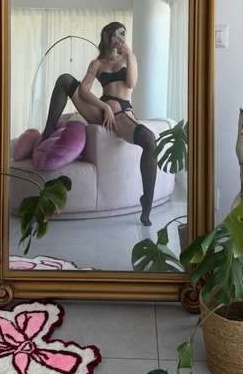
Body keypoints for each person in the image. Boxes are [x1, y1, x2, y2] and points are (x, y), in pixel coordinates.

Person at [41, 21, 158, 225]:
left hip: (121, 114)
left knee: (149, 140)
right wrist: (104, 107)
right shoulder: (97, 63)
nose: (121, 38)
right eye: (117, 34)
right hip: (99, 110)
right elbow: (84, 91)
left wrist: (129, 55)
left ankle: (146, 201)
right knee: (65, 80)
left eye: (124, 34)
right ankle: (48, 131)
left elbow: (131, 83)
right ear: (107, 36)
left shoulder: (129, 58)